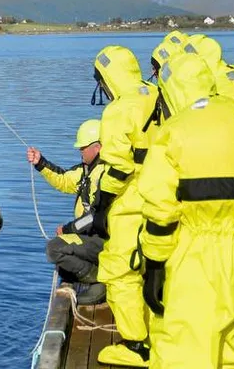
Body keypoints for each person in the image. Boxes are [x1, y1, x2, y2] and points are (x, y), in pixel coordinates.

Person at [137, 53, 234, 368]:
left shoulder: (175, 132)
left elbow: (160, 212)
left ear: (170, 93)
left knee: (185, 354)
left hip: (197, 263)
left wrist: (153, 268)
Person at [91, 45, 159, 367]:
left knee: (120, 272)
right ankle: (160, 336)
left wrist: (102, 205)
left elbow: (119, 168)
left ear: (107, 77)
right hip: (165, 200)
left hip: (130, 205)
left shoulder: (118, 110)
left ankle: (136, 346)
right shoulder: (159, 94)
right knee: (156, 269)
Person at [26, 119, 108, 305]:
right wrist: (40, 163)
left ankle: (98, 277)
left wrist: (69, 229)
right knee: (62, 257)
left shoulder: (105, 174)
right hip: (90, 237)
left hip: (103, 239)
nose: (80, 151)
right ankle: (89, 272)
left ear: (97, 147)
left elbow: (96, 216)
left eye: (83, 148)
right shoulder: (87, 170)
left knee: (54, 249)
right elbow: (64, 180)